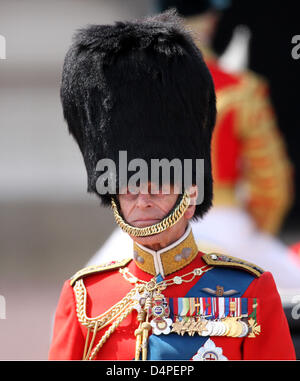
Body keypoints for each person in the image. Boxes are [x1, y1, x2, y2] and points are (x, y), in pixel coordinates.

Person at [48, 10, 295, 360]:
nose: (143, 200)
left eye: (159, 185)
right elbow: (271, 183)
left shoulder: (251, 291)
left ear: (190, 191)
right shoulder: (83, 297)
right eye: (129, 186)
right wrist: (263, 221)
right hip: (237, 222)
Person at [88, 0, 300, 291]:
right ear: (212, 20)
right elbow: (271, 183)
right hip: (227, 222)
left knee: (82, 298)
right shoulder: (242, 89)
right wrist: (256, 228)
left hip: (152, 221)